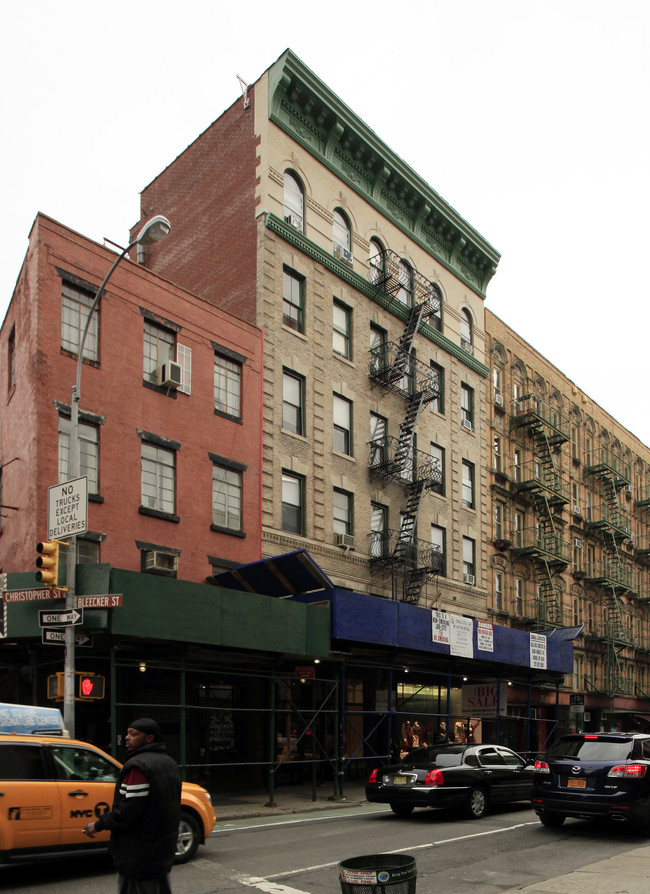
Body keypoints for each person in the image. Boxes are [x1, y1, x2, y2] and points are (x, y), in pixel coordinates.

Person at [83, 718, 182, 894]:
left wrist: (98, 824)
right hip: (161, 848)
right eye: (127, 733)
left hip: (139, 853)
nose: (127, 738)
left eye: (133, 734)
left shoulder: (138, 767)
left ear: (149, 738)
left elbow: (127, 812)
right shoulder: (169, 763)